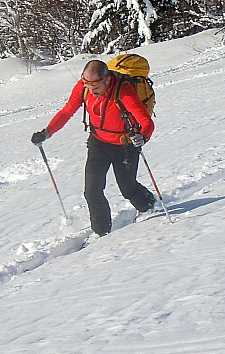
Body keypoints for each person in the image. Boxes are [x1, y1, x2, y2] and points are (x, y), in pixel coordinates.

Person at [31, 59, 156, 236]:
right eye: (88, 87)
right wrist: (47, 132)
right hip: (98, 143)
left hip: (125, 145)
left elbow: (146, 121)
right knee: (92, 191)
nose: (91, 92)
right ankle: (101, 232)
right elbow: (67, 111)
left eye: (95, 88)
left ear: (106, 80)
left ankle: (149, 205)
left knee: (127, 188)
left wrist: (143, 137)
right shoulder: (83, 87)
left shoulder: (123, 91)